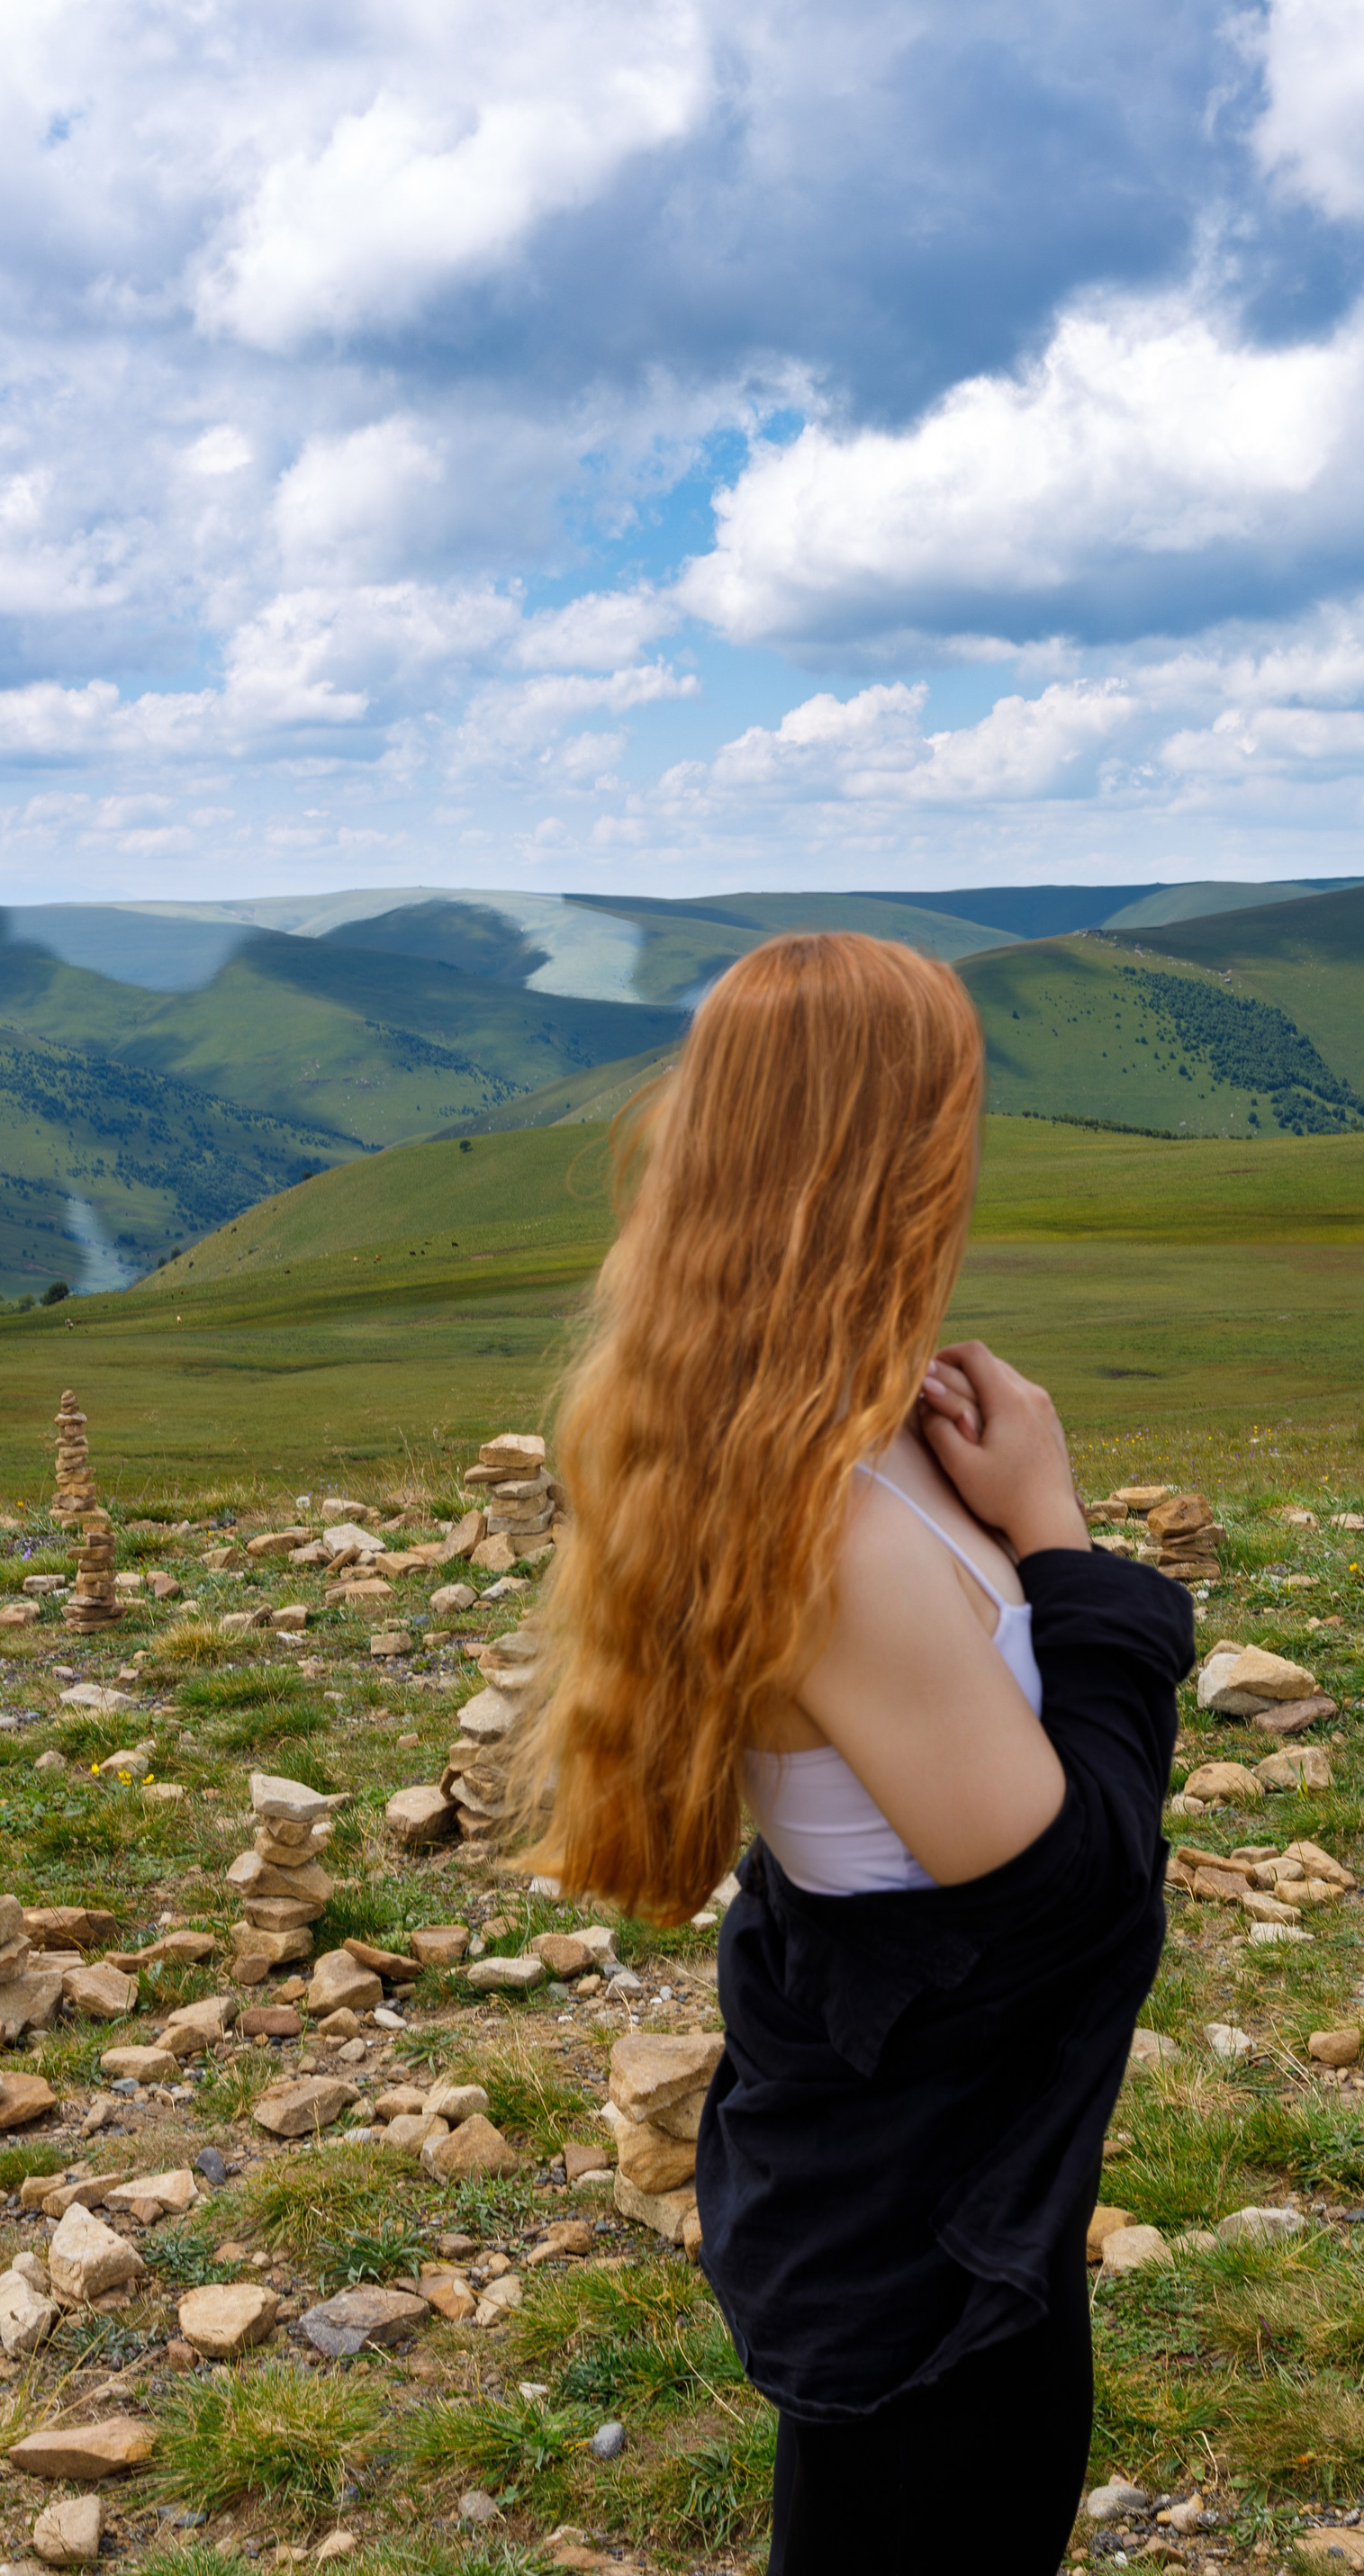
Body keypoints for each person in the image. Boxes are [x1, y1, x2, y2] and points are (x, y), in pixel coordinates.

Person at [528, 931, 1195, 2576]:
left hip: (932, 2166)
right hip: (917, 2217)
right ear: (894, 1157)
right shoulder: (831, 1531)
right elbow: (1071, 1889)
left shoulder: (808, 1423)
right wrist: (1067, 1550)